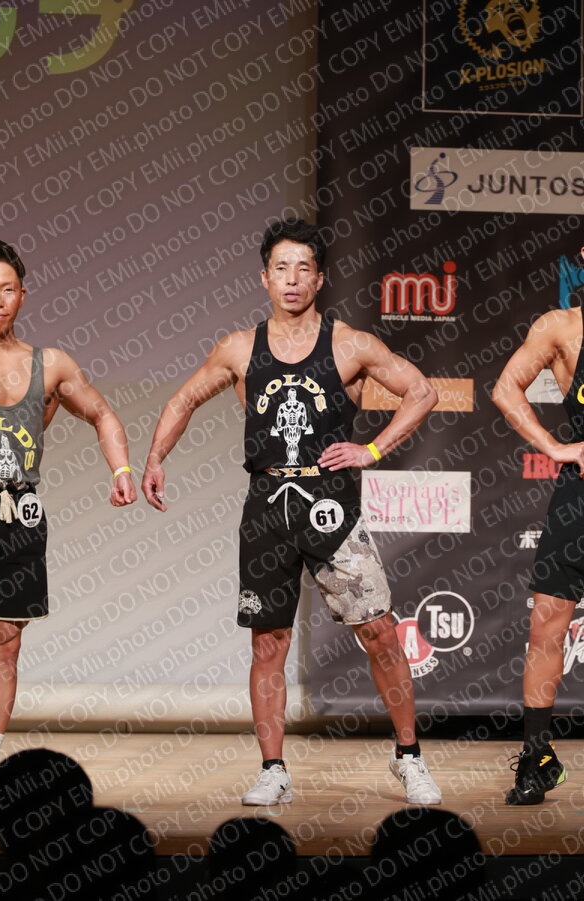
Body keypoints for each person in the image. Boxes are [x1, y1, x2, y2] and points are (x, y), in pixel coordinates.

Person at [142, 218, 441, 805]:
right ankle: (273, 769)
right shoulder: (238, 347)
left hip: (332, 507)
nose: (292, 278)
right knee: (268, 643)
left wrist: (372, 449)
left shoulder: (349, 343)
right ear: (265, 278)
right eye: (281, 267)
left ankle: (408, 756)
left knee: (379, 632)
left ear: (320, 278)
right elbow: (182, 399)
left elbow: (422, 391)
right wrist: (154, 458)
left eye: (304, 268)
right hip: (266, 508)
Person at [0, 240, 136, 789]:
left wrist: (121, 471)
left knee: (5, 640)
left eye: (6, 290)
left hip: (18, 514)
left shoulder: (50, 365)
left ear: (22, 296)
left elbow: (102, 414)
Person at [492, 249, 584, 804]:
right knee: (547, 625)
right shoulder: (561, 328)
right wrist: (554, 446)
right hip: (580, 499)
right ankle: (536, 757)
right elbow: (505, 388)